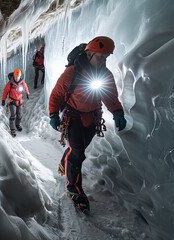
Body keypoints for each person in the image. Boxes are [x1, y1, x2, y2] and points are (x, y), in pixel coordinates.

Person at [48, 36, 127, 211]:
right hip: (72, 118)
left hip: (92, 119)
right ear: (89, 54)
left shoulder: (105, 74)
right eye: (100, 57)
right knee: (77, 153)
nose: (103, 61)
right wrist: (53, 114)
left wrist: (117, 112)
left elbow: (110, 97)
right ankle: (74, 189)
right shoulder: (72, 72)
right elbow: (56, 94)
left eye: (105, 57)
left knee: (79, 148)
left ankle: (64, 162)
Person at [2, 69, 30, 137]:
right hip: (12, 101)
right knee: (13, 115)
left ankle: (17, 124)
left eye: (18, 77)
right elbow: (5, 91)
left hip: (19, 101)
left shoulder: (22, 82)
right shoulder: (10, 84)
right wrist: (3, 100)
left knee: (19, 115)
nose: (16, 78)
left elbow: (26, 87)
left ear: (20, 76)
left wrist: (27, 93)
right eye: (15, 77)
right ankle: (12, 129)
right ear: (13, 76)